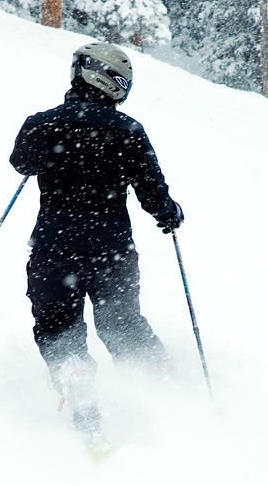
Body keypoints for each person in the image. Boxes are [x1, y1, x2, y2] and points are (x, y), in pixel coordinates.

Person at [10, 42, 183, 445]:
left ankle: (75, 377)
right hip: (113, 254)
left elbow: (21, 162)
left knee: (58, 327)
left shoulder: (43, 124)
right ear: (108, 80)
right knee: (123, 326)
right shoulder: (129, 131)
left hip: (54, 252)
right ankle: (168, 395)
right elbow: (153, 194)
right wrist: (169, 213)